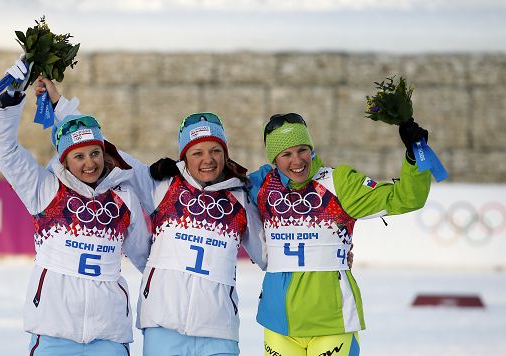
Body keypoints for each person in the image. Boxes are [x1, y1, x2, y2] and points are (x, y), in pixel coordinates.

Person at [36, 78, 267, 356]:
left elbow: (267, 255)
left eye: (216, 150)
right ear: (184, 157)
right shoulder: (162, 186)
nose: (208, 159)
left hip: (219, 331)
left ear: (225, 153)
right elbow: (105, 149)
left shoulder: (240, 198)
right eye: (198, 152)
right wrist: (61, 109)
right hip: (162, 326)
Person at [0, 58, 151, 355]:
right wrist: (11, 100)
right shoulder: (45, 190)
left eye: (95, 153)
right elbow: (7, 152)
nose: (89, 163)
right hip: (54, 332)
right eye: (79, 156)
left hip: (109, 335)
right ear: (64, 160)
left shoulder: (123, 197)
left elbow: (146, 257)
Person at [247, 113, 431, 355]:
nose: (297, 161)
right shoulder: (261, 185)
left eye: (302, 150)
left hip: (332, 323)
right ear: (274, 159)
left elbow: (406, 198)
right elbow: (212, 189)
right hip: (278, 324)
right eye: (286, 154)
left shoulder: (338, 182)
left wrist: (415, 154)